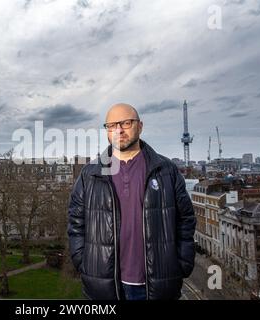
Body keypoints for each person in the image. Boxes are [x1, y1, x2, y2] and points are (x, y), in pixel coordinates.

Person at [67, 103, 196, 300]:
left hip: (156, 285)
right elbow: (76, 223)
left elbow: (185, 220)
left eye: (126, 123)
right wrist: (83, 262)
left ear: (140, 126)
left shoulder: (166, 171)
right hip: (104, 285)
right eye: (111, 125)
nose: (118, 130)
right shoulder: (89, 174)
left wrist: (181, 263)